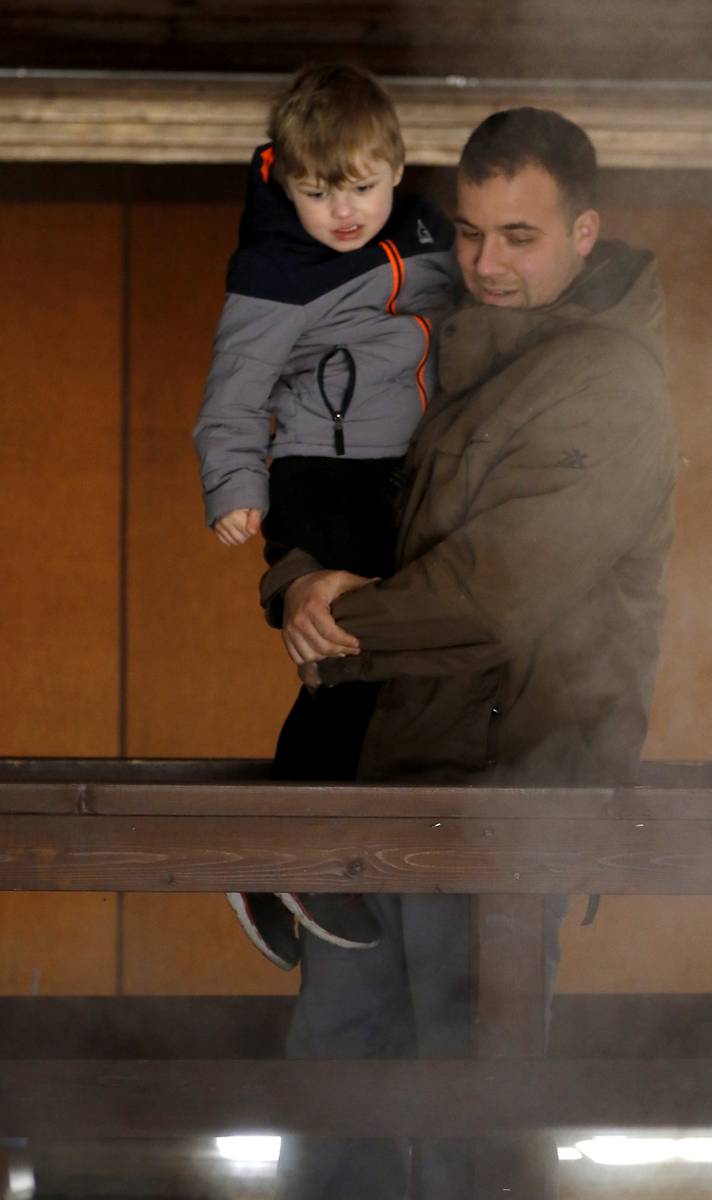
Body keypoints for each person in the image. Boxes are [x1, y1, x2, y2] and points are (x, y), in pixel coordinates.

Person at [263, 105, 677, 1198]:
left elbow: (496, 596)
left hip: (504, 798)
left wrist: (333, 629)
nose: (487, 263)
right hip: (383, 782)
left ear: (584, 233)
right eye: (472, 233)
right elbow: (339, 484)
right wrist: (297, 576)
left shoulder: (607, 384)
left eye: (520, 238)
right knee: (338, 1097)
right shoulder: (440, 343)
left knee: (470, 1113)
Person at [192, 63, 458, 968]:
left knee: (386, 661)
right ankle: (286, 852)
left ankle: (293, 858)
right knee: (343, 660)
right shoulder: (275, 268)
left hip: (403, 477)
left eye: (361, 188)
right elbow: (234, 390)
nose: (341, 213)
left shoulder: (427, 230)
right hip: (322, 473)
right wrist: (235, 485)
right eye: (314, 192)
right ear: (284, 183)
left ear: (397, 167)